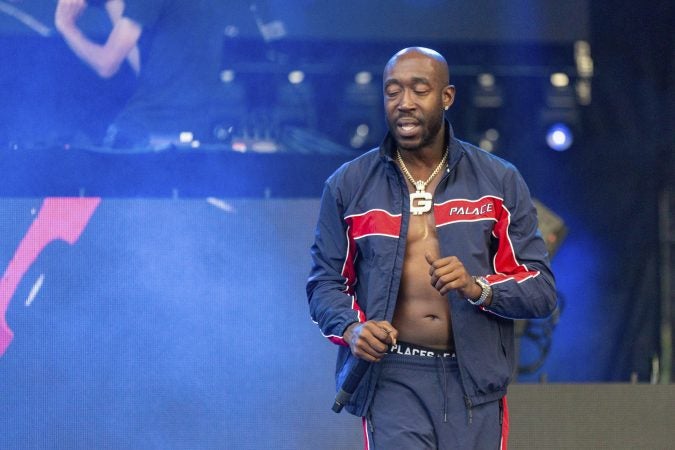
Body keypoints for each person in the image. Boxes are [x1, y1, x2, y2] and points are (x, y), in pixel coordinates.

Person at [306, 47, 557, 449]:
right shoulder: (348, 185)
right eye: (393, 91)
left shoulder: (498, 180)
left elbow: (540, 290)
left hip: (473, 380)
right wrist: (353, 330)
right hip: (392, 377)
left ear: (447, 97)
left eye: (419, 90)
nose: (404, 103)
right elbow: (324, 285)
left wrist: (480, 288)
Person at [54, 0, 225, 150]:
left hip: (145, 133)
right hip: (192, 134)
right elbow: (146, 68)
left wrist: (66, 26)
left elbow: (106, 64)